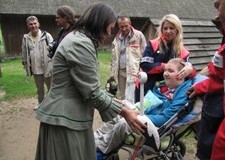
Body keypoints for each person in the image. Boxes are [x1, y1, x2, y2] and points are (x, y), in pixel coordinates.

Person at [35, 3, 145, 160]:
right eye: (110, 27)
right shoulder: (80, 43)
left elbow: (84, 85)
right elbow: (92, 92)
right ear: (100, 23)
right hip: (64, 121)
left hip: (69, 117)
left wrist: (115, 102)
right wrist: (126, 112)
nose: (109, 33)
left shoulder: (78, 38)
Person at [95, 58, 194, 156]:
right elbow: (150, 103)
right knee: (117, 109)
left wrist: (139, 117)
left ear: (182, 74)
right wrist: (131, 108)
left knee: (125, 122)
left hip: (156, 125)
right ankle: (95, 139)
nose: (165, 73)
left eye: (170, 71)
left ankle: (101, 149)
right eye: (165, 70)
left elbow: (166, 118)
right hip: (145, 113)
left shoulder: (184, 92)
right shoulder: (164, 87)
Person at [188, 0, 225, 159]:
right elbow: (223, 77)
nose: (216, 10)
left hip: (220, 144)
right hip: (212, 130)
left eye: (218, 5)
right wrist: (201, 86)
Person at [135, 14, 196, 102]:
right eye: (165, 28)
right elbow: (145, 65)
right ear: (161, 29)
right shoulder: (153, 44)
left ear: (177, 30)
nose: (168, 31)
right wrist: (165, 66)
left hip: (166, 92)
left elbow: (189, 72)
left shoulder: (182, 51)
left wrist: (189, 69)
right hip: (146, 87)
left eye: (171, 28)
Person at [109, 16, 146, 104]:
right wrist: (112, 73)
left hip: (133, 71)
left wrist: (142, 68)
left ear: (130, 24)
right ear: (119, 26)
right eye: (122, 27)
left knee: (131, 96)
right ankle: (124, 116)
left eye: (126, 26)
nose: (124, 28)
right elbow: (113, 58)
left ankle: (132, 115)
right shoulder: (116, 39)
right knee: (122, 95)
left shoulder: (138, 35)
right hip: (120, 71)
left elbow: (144, 53)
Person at [21, 16, 53, 107]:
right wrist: (26, 63)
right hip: (35, 68)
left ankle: (51, 104)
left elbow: (54, 49)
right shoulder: (26, 38)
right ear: (28, 26)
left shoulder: (46, 35)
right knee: (39, 88)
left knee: (50, 87)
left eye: (35, 23)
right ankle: (41, 103)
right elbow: (24, 52)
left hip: (47, 66)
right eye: (31, 24)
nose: (33, 26)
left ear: (38, 24)